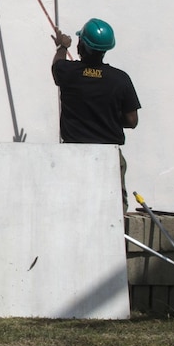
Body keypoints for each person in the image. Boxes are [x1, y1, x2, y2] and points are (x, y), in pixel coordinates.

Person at [51, 17, 140, 206]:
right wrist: (107, 119)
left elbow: (56, 66)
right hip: (110, 155)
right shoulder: (120, 79)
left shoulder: (68, 72)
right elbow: (132, 120)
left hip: (74, 155)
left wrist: (62, 46)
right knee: (114, 211)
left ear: (81, 45)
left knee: (73, 206)